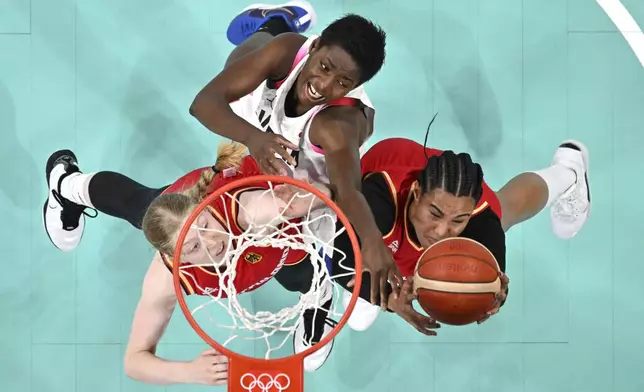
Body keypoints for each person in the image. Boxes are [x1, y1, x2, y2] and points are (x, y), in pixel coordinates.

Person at [41, 143, 342, 384]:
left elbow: (322, 195)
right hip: (176, 219)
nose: (213, 241)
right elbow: (135, 360)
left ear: (205, 209)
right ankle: (67, 185)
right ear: (177, 258)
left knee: (297, 267)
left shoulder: (247, 214)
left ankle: (318, 294)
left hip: (233, 213)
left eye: (207, 223)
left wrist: (295, 198)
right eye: (195, 247)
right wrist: (187, 372)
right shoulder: (166, 278)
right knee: (137, 205)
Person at [189, 2, 401, 308]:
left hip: (306, 174)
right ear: (314, 46)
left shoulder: (338, 125)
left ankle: (319, 297)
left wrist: (372, 244)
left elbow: (348, 191)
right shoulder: (289, 52)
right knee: (238, 69)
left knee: (290, 254)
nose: (323, 85)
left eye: (343, 83)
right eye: (324, 67)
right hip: (266, 131)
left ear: (357, 86)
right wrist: (253, 138)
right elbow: (203, 103)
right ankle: (276, 21)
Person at [284, 136, 591, 337]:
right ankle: (381, 279)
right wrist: (387, 298)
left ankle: (569, 171)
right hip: (381, 208)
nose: (443, 231)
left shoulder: (477, 216)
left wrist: (494, 292)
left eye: (458, 220)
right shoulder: (379, 199)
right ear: (416, 193)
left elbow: (491, 276)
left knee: (508, 208)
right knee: (372, 255)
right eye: (435, 214)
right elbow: (338, 262)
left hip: (450, 193)